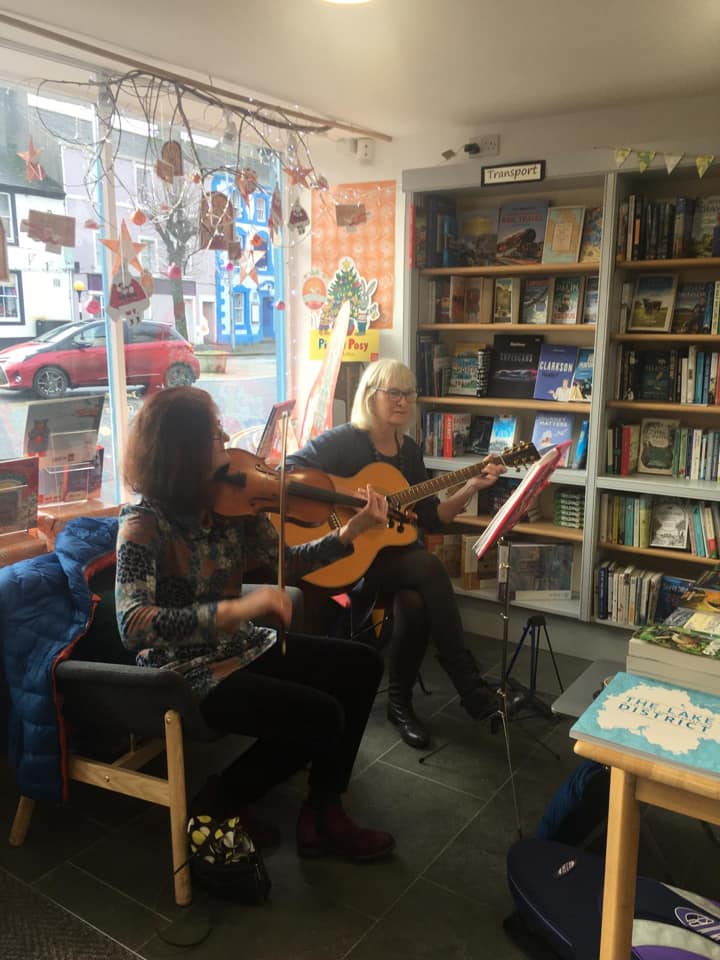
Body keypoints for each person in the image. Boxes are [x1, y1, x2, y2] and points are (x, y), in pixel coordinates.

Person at [115, 386, 395, 862]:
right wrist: (234, 610)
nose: (226, 438)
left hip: (240, 647)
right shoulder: (143, 524)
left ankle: (323, 811)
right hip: (185, 672)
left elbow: (289, 562)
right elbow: (133, 624)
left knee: (362, 665)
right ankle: (219, 799)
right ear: (183, 452)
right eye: (214, 434)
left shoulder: (230, 508)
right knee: (321, 716)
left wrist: (351, 532)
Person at [286, 359, 506, 750]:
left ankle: (399, 704)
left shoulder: (410, 453)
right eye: (394, 392)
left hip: (393, 558)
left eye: (409, 393)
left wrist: (471, 487)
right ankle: (469, 686)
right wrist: (344, 502)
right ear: (371, 396)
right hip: (346, 554)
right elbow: (289, 472)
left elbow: (431, 518)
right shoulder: (344, 440)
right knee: (428, 565)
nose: (403, 401)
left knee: (415, 601)